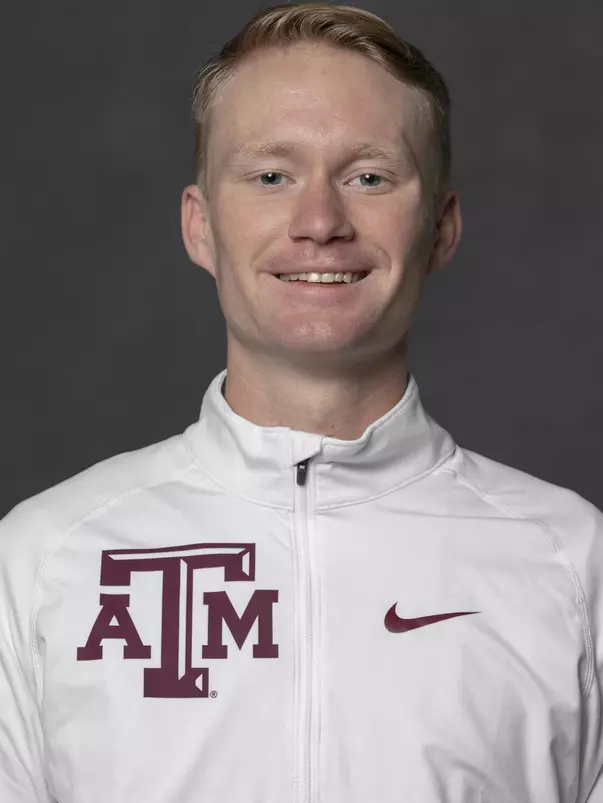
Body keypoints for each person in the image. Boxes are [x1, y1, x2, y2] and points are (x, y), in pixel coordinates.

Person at [1, 2, 602, 801]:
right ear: (200, 226)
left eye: (369, 177)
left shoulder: (573, 561)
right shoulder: (42, 558)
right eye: (270, 176)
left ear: (441, 228)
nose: (320, 222)